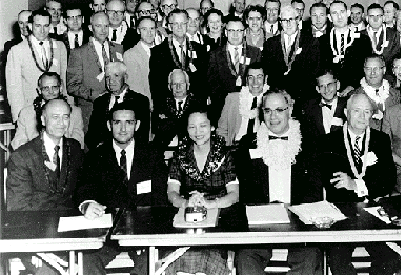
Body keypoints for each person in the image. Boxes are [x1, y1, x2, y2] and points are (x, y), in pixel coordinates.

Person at [316, 93, 401, 275]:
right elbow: (333, 183)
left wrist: (354, 184)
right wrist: (368, 185)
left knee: (390, 258)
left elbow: (388, 181)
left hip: (374, 215)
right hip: (341, 217)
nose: (362, 117)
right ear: (346, 112)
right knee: (337, 259)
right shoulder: (329, 141)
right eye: (357, 111)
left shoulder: (380, 140)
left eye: (367, 112)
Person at [236, 89, 323, 275]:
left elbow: (314, 191)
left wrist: (290, 211)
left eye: (279, 110)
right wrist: (271, 210)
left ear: (290, 110)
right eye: (267, 111)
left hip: (299, 222)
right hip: (261, 224)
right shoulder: (247, 144)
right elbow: (245, 193)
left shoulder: (309, 143)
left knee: (310, 259)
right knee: (245, 258)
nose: (273, 117)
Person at [76, 101, 168, 275]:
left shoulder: (152, 155)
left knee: (149, 264)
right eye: (117, 122)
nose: (123, 129)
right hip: (107, 236)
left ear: (138, 125)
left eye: (129, 122)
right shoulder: (95, 157)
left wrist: (148, 237)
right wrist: (87, 204)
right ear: (109, 125)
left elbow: (160, 200)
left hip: (143, 234)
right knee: (86, 262)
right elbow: (84, 189)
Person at [6, 98, 84, 275]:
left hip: (71, 237)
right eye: (55, 117)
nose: (61, 123)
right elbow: (19, 209)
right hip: (35, 237)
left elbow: (82, 188)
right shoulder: (22, 157)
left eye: (65, 117)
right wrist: (38, 248)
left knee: (89, 266)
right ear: (42, 120)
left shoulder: (75, 148)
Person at [165, 108, 238, 275]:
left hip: (219, 218)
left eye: (203, 126)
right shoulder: (179, 156)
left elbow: (234, 194)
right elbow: (171, 193)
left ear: (212, 127)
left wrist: (210, 204)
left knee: (215, 263)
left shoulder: (225, 155)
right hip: (186, 219)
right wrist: (186, 203)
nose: (198, 132)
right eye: (192, 127)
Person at [6, 9, 69, 122]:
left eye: (45, 26)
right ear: (30, 26)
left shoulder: (60, 47)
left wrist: (68, 109)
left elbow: (65, 80)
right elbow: (14, 89)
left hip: (57, 112)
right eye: (38, 26)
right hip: (30, 112)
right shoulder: (17, 50)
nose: (42, 30)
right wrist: (19, 118)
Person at [66, 11, 124, 133]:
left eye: (106, 26)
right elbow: (72, 86)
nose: (103, 30)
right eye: (98, 26)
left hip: (117, 110)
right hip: (91, 110)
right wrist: (94, 95)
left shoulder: (118, 49)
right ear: (90, 28)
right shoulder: (78, 53)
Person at [149, 9, 208, 112]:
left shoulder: (200, 50)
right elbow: (156, 85)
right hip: (169, 109)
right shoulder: (158, 52)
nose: (180, 27)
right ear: (170, 26)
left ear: (187, 24)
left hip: (195, 107)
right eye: (176, 24)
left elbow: (203, 81)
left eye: (183, 23)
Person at [207, 16, 261, 124]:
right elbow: (212, 83)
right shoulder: (215, 54)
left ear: (244, 32)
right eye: (231, 31)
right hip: (223, 108)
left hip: (249, 107)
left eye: (239, 31)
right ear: (226, 32)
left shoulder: (255, 53)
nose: (235, 35)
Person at [262, 5, 321, 104]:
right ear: (280, 22)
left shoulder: (310, 42)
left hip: (302, 97)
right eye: (285, 20)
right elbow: (269, 72)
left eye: (291, 19)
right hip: (277, 97)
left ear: (298, 20)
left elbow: (313, 73)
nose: (288, 24)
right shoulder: (271, 43)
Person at [85, 62, 150, 151]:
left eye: (116, 76)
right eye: (108, 77)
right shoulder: (100, 102)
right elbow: (91, 135)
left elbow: (142, 136)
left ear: (125, 78)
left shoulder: (140, 101)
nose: (111, 81)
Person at [11, 72, 84, 150]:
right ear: (39, 90)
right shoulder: (26, 113)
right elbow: (18, 144)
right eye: (46, 88)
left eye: (54, 87)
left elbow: (77, 145)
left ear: (61, 88)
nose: (51, 92)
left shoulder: (75, 112)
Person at [319, 0, 372, 95]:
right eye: (334, 13)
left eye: (342, 12)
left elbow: (366, 67)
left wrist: (352, 86)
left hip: (356, 90)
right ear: (329, 18)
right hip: (329, 92)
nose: (339, 16)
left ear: (347, 13)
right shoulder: (322, 41)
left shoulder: (363, 40)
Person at [217, 62, 269, 146]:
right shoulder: (232, 99)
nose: (255, 82)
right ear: (246, 80)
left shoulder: (270, 100)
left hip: (262, 147)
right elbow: (222, 130)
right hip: (236, 147)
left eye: (259, 77)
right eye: (251, 77)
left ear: (265, 79)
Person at [153, 69, 204, 149]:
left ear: (188, 85)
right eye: (174, 84)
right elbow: (157, 129)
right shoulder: (161, 105)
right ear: (169, 86)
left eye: (181, 83)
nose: (178, 87)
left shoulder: (198, 105)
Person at [352, 54, 401, 131]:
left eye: (376, 68)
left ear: (384, 70)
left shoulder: (397, 96)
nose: (372, 73)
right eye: (368, 69)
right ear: (364, 70)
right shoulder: (354, 97)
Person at [300, 68, 346, 147]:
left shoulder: (348, 104)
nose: (326, 90)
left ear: (338, 85)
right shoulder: (309, 109)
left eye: (329, 84)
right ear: (317, 89)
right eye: (322, 86)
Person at [124, 17, 157, 109]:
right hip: (145, 106)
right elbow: (135, 87)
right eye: (144, 29)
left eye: (152, 28)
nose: (149, 33)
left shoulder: (162, 51)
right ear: (138, 31)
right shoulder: (130, 54)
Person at [364, 3, 401, 71]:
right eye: (372, 16)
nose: (375, 19)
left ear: (383, 18)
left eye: (379, 16)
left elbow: (395, 59)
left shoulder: (393, 35)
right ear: (367, 18)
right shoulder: (358, 36)